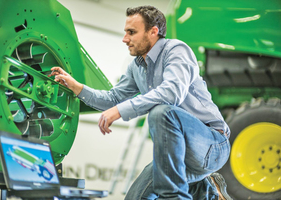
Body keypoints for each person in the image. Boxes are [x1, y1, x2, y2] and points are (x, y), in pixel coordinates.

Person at [50, 5, 232, 200]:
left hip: (212, 144)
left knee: (162, 112)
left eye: (131, 32)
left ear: (153, 32)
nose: (125, 39)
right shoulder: (136, 67)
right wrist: (77, 87)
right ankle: (209, 189)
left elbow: (172, 94)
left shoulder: (176, 50)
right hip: (176, 154)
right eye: (125, 32)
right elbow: (112, 99)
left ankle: (178, 196)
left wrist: (120, 111)